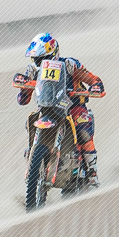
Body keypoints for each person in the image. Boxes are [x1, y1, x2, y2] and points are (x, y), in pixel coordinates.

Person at [11, 32, 105, 187]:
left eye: (42, 59)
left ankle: (92, 175)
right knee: (30, 122)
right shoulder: (33, 70)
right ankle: (32, 159)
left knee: (83, 130)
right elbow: (23, 100)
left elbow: (93, 79)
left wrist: (96, 86)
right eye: (36, 59)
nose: (39, 63)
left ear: (52, 53)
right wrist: (24, 86)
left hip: (73, 106)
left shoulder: (69, 64)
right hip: (47, 107)